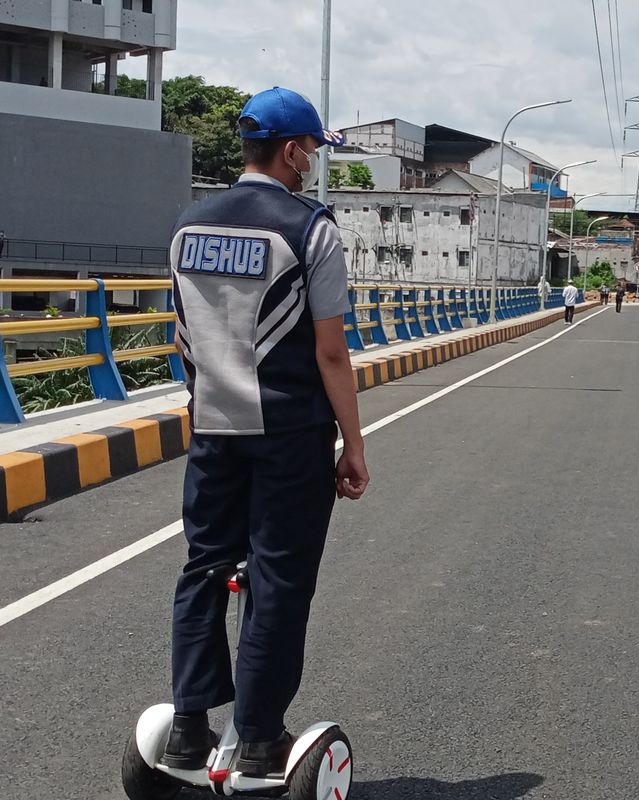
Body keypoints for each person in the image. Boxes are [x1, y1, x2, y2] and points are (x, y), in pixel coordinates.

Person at [162, 87, 370, 778]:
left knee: (203, 567)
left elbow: (186, 335)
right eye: (311, 150)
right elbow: (331, 352)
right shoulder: (311, 229)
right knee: (278, 579)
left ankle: (189, 727)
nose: (311, 162)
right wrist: (354, 445)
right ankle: (257, 739)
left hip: (214, 426)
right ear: (288, 150)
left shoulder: (188, 227)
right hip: (287, 433)